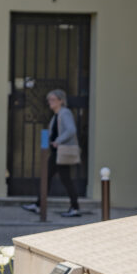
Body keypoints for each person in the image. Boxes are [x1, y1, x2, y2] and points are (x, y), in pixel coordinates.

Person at [22, 88, 81, 217]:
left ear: (61, 101)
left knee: (51, 178)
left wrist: (58, 141)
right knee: (53, 178)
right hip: (57, 153)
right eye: (49, 99)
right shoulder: (56, 115)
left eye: (53, 99)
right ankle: (41, 205)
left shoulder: (64, 113)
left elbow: (71, 130)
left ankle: (42, 205)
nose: (50, 102)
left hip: (61, 153)